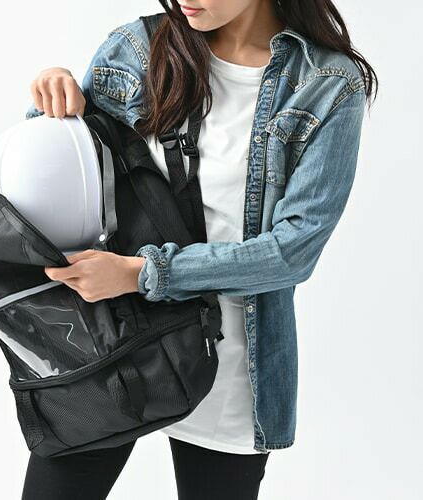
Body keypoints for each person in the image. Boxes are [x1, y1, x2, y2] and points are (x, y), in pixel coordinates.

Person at [21, 1, 378, 499]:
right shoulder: (137, 48)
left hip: (229, 366)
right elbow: (68, 169)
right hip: (111, 345)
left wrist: (144, 274)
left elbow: (292, 251)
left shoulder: (326, 84)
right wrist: (53, 104)